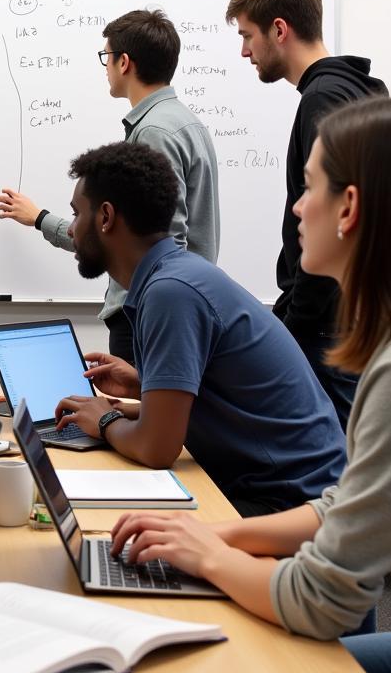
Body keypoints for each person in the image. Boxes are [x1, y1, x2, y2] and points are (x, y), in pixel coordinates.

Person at [111, 96, 391, 673]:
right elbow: (348, 507)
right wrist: (215, 537)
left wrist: (209, 558)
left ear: (349, 208)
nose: (298, 208)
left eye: (309, 189)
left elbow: (323, 601)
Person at [53, 141, 345, 517]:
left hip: (292, 503)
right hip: (289, 487)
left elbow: (157, 449)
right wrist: (145, 387)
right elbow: (192, 412)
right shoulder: (177, 274)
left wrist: (105, 420)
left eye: (77, 214)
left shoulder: (169, 293)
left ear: (106, 217)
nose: (73, 229)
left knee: (123, 532)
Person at [0, 8, 219, 362]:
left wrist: (42, 219)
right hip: (172, 309)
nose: (105, 67)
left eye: (106, 57)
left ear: (124, 62)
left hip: (147, 315)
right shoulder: (186, 123)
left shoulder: (153, 132)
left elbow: (155, 243)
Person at [226, 0, 387, 428]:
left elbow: (337, 223)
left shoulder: (322, 100)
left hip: (325, 329)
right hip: (349, 319)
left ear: (280, 29)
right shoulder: (360, 91)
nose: (244, 51)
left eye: (248, 36)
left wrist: (293, 327)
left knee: (334, 468)